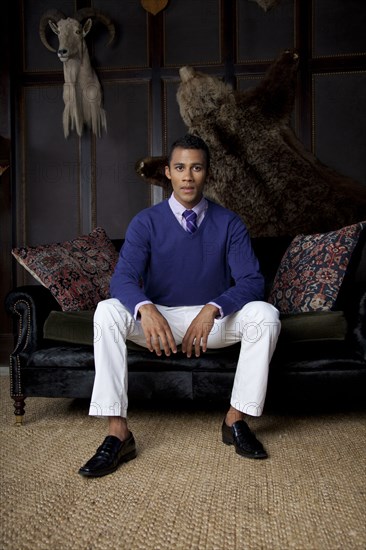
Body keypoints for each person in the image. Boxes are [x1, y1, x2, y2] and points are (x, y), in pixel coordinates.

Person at [79, 134, 281, 477]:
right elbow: (122, 280)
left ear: (207, 174)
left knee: (266, 314)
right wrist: (145, 307)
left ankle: (235, 420)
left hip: (212, 323)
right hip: (161, 322)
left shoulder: (229, 222)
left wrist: (213, 307)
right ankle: (118, 431)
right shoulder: (146, 222)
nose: (188, 176)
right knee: (107, 310)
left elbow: (252, 281)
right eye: (180, 167)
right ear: (168, 173)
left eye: (196, 167)